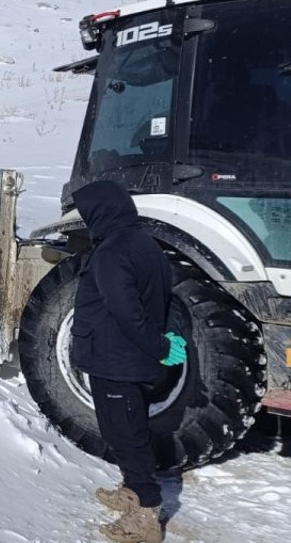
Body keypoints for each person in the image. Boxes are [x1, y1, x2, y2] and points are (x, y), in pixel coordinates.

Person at [71, 179, 186, 543]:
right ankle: (132, 490)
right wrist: (165, 340)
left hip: (115, 359)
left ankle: (146, 514)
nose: (86, 221)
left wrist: (160, 347)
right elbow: (165, 301)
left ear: (102, 211)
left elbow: (127, 312)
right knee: (123, 429)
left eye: (88, 213)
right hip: (122, 357)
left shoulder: (111, 252)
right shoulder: (146, 245)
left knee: (125, 433)